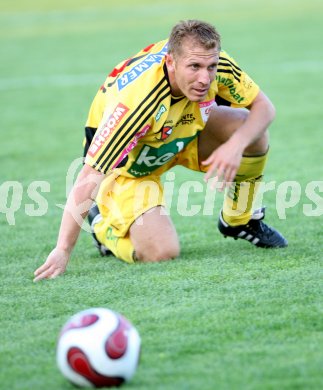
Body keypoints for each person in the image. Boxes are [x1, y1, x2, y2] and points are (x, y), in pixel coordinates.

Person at [33, 19, 287, 281]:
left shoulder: (216, 62)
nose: (205, 77)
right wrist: (63, 249)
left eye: (210, 67)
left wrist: (235, 146)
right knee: (162, 251)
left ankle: (239, 220)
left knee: (250, 131)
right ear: (171, 62)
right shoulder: (135, 105)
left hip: (182, 133)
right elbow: (88, 177)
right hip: (130, 166)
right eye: (194, 67)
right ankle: (102, 227)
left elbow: (264, 107)